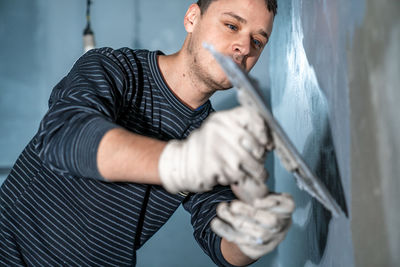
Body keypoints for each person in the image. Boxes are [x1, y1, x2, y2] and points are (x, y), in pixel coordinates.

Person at [0, 0, 295, 266]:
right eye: (232, 25)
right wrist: (181, 163)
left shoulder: (211, 140)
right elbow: (64, 136)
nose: (244, 47)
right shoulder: (115, 68)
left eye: (257, 41)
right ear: (192, 18)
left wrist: (253, 236)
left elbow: (219, 242)